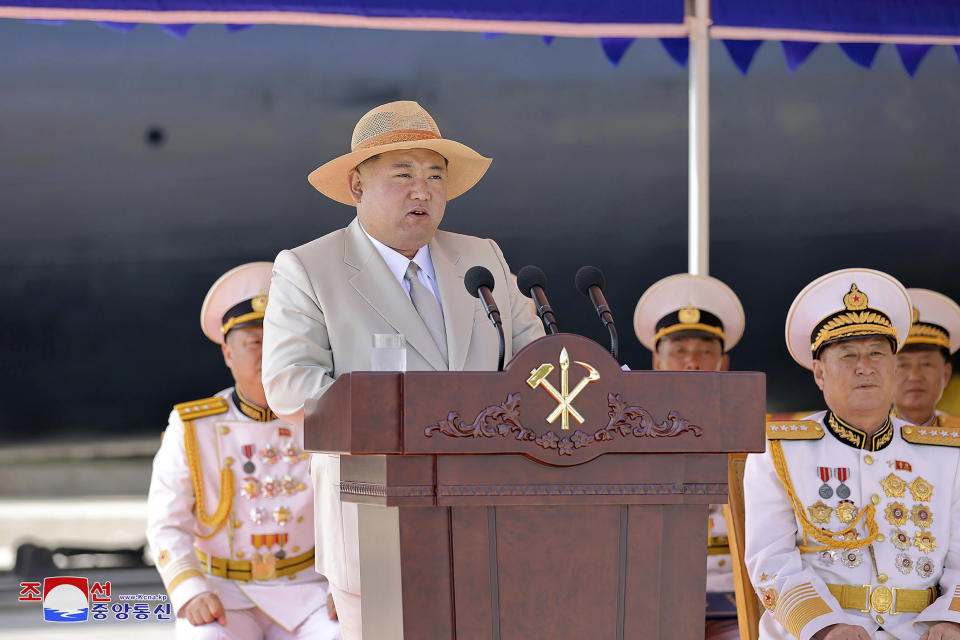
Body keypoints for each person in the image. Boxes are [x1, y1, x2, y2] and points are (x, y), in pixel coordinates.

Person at [261, 100, 545, 639]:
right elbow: (290, 385)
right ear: (357, 186)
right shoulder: (309, 268)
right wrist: (406, 415)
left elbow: (535, 360)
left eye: (436, 176)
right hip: (375, 519)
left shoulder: (481, 258)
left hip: (486, 517)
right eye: (404, 175)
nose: (424, 191)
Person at [745, 268, 960, 640]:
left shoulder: (946, 455)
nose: (865, 366)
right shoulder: (779, 449)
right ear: (819, 373)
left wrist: (951, 620)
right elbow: (770, 560)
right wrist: (825, 626)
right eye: (847, 355)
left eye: (877, 353)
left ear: (893, 366)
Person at [147, 262, 340, 639]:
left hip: (308, 588)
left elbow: (354, 513)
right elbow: (166, 521)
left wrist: (347, 587)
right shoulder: (192, 427)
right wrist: (190, 590)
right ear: (227, 354)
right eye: (254, 342)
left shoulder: (326, 417)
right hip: (222, 590)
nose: (267, 355)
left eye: (278, 343)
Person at [634, 272, 746, 640]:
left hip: (735, 602)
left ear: (723, 364)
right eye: (679, 350)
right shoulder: (633, 437)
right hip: (656, 600)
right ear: (657, 361)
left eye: (704, 351)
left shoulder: (750, 436)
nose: (692, 362)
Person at [894, 288, 960, 428]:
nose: (914, 376)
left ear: (946, 374)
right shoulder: (865, 440)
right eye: (903, 365)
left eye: (926, 364)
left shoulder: (956, 434)